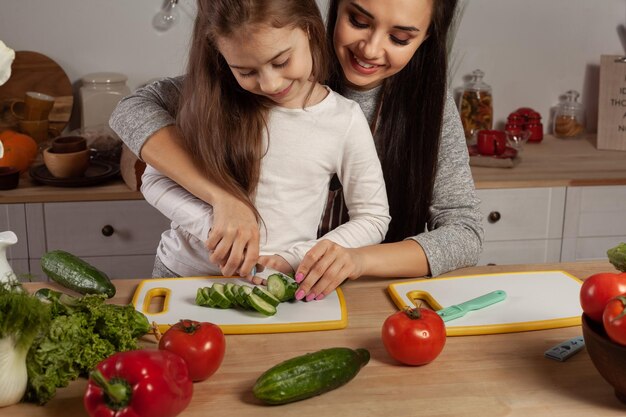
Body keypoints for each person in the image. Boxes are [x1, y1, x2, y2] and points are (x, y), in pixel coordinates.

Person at [110, 0, 483, 301]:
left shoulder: (412, 110)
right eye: (358, 19)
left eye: (400, 38)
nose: (370, 49)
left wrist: (354, 259)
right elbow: (133, 118)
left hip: (344, 295)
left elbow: (463, 233)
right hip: (207, 281)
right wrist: (225, 200)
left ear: (425, 39)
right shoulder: (251, 71)